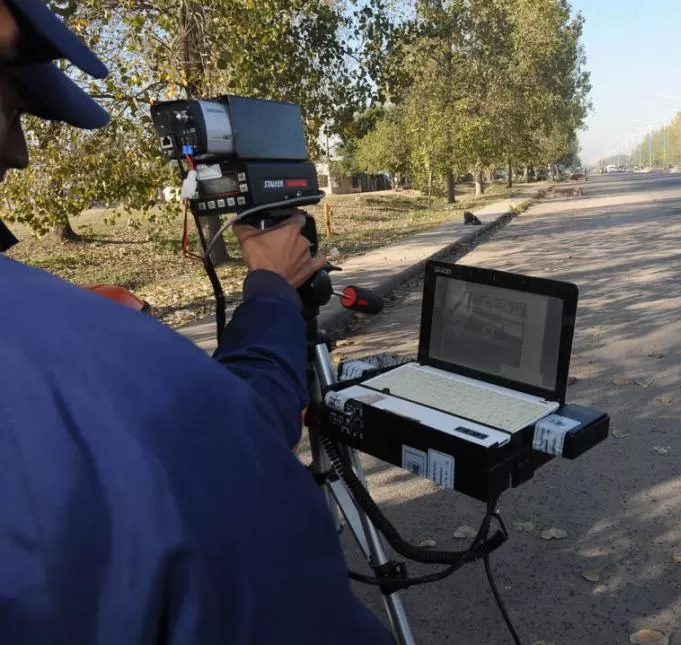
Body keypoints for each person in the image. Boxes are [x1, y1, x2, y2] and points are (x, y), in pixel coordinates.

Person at [0, 1, 393, 643]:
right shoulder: (60, 352)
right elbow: (240, 428)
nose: (17, 152)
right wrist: (270, 287)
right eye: (12, 112)